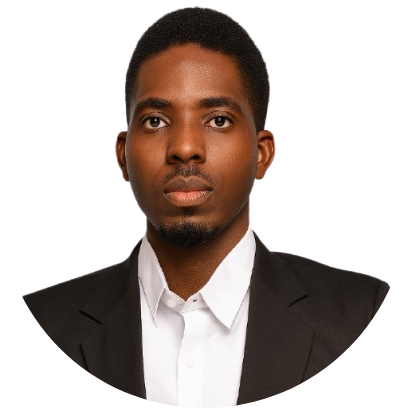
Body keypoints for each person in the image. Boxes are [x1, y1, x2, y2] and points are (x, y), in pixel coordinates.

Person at [22, 6, 390, 406]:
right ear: (123, 156)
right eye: (155, 121)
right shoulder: (43, 320)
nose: (184, 148)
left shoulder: (363, 314)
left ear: (262, 154)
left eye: (218, 120)